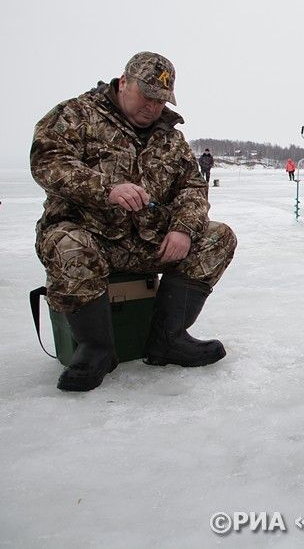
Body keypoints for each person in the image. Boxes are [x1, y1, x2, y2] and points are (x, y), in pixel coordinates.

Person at [30, 52, 237, 392]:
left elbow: (193, 188)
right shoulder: (77, 114)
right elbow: (47, 162)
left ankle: (167, 340)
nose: (153, 107)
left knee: (218, 237)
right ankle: (96, 349)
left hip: (145, 242)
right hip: (88, 236)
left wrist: (182, 229)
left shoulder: (170, 137)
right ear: (123, 82)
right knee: (69, 243)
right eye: (147, 95)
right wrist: (105, 190)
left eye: (161, 100)